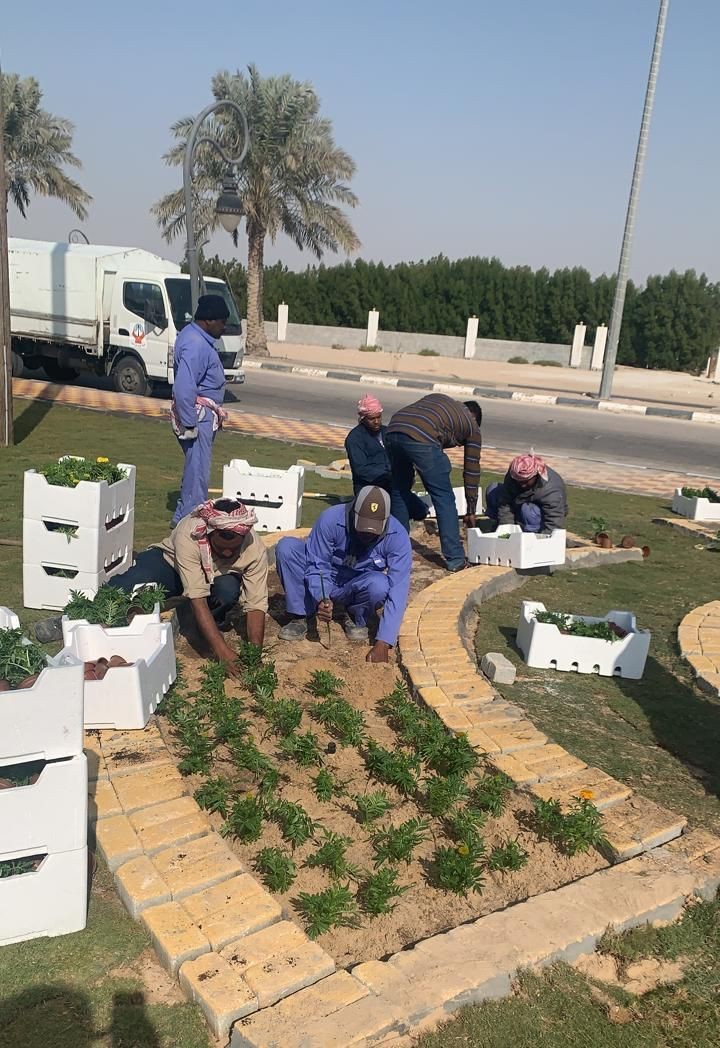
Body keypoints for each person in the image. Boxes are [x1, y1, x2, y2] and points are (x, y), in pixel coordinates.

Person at [112, 498, 268, 676]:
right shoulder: (190, 532)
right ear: (209, 533)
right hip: (171, 565)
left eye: (233, 550)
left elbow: (256, 603)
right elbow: (198, 598)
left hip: (214, 575)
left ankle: (203, 623)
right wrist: (222, 652)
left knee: (227, 591)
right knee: (122, 588)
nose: (227, 552)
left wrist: (255, 654)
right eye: (220, 548)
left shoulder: (254, 547)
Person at [274, 485, 412, 664]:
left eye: (373, 532)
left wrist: (384, 642)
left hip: (355, 584)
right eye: (362, 528)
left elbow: (398, 589)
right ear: (353, 512)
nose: (367, 535)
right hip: (328, 575)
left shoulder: (398, 536)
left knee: (380, 585)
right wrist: (321, 597)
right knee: (287, 548)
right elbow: (318, 564)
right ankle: (301, 614)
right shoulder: (330, 519)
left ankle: (355, 615)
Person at [386, 393, 482, 571]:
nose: (457, 444)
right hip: (421, 436)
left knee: (399, 490)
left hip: (394, 427)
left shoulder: (442, 402)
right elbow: (471, 469)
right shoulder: (472, 427)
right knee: (443, 497)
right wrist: (471, 509)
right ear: (475, 419)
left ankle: (396, 550)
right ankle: (456, 559)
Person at [170, 294, 230, 527]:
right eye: (222, 322)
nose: (224, 327)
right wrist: (190, 423)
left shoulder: (194, 337)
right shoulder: (196, 344)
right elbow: (184, 386)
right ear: (208, 320)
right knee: (198, 471)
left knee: (194, 468)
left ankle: (182, 516)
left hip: (197, 414)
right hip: (197, 416)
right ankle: (191, 523)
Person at [344, 394, 428, 520]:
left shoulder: (387, 432)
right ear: (363, 418)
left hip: (394, 485)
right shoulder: (355, 439)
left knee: (420, 511)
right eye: (372, 419)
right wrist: (389, 475)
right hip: (371, 488)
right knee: (392, 514)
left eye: (378, 417)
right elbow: (361, 470)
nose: (376, 422)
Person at [485, 453, 568, 533]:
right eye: (519, 481)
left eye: (526, 481)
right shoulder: (513, 475)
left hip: (537, 517)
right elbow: (505, 503)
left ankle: (531, 534)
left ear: (536, 475)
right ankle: (498, 525)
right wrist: (507, 531)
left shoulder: (551, 488)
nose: (522, 484)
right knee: (493, 489)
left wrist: (545, 539)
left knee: (527, 510)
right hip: (519, 508)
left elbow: (554, 520)